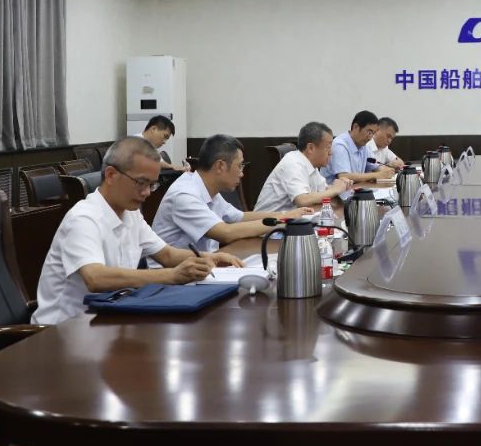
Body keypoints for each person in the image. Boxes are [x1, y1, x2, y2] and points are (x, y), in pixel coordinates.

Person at [32, 136, 241, 326]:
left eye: (152, 184)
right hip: (64, 331)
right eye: (141, 183)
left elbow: (166, 254)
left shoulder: (130, 213)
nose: (147, 192)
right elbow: (96, 278)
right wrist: (173, 275)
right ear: (111, 175)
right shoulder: (83, 218)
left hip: (110, 319)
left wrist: (211, 257)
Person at [152, 134, 306, 253]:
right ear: (220, 166)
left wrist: (286, 215)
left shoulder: (207, 188)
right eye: (240, 166)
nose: (242, 174)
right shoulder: (185, 195)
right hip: (172, 276)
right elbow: (226, 232)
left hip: (200, 267)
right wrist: (284, 221)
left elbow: (239, 217)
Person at [256, 122, 353, 212]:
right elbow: (302, 200)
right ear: (311, 148)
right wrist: (335, 190)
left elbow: (323, 191)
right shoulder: (293, 163)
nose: (331, 152)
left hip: (292, 219)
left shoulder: (311, 165)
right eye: (328, 147)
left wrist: (341, 185)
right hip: (267, 222)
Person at [324, 110, 394, 192]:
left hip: (354, 192)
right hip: (333, 196)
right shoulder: (340, 145)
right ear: (356, 127)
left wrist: (385, 171)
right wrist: (377, 175)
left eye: (373, 133)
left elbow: (375, 166)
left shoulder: (364, 146)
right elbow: (344, 176)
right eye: (369, 132)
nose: (370, 137)